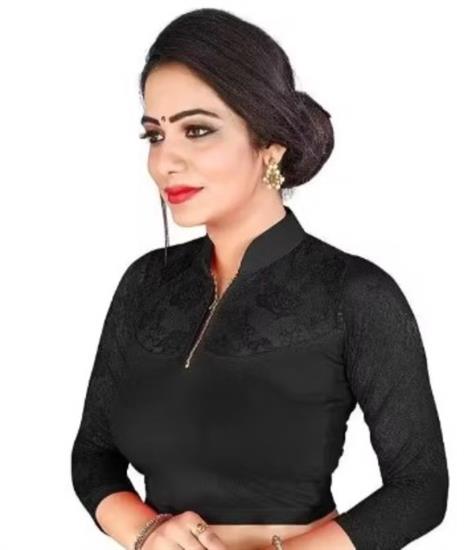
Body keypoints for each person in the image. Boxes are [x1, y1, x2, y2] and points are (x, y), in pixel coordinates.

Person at [71, 8, 448, 550]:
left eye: (197, 130)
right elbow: (93, 456)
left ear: (270, 145)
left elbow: (420, 487)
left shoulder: (353, 293)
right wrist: (147, 531)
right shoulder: (145, 284)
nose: (165, 162)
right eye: (155, 135)